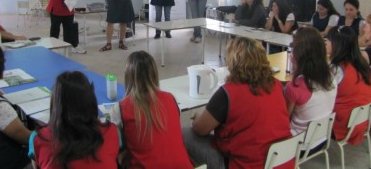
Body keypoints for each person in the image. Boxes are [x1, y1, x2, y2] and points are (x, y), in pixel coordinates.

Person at [185, 37, 292, 168]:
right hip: (282, 160)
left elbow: (200, 129)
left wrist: (197, 118)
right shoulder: (276, 85)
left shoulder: (227, 93)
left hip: (246, 164)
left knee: (184, 134)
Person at [111, 51, 193, 168]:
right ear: (154, 74)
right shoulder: (171, 98)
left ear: (128, 76)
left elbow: (113, 143)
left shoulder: (121, 108)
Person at [29, 71, 120, 168]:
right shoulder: (112, 131)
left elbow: (37, 164)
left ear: (56, 103)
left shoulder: (39, 138)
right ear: (91, 100)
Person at [284, 27, 337, 152]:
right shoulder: (331, 76)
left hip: (299, 145)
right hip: (321, 138)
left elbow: (284, 119)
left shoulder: (295, 86)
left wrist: (294, 69)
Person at [326, 26, 371, 145]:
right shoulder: (361, 63)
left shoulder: (337, 69)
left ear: (336, 45)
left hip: (343, 124)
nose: (326, 43)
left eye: (328, 40)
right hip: (361, 121)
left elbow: (322, 94)